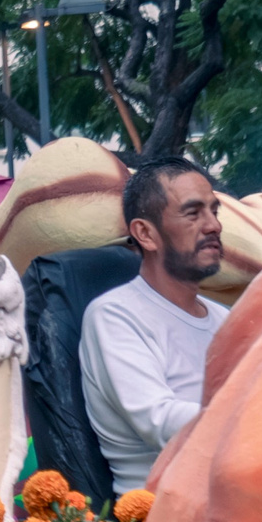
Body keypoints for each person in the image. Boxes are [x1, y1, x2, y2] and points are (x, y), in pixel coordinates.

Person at [78, 154, 229, 487]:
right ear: (145, 234)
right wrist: (259, 416)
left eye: (214, 211)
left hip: (238, 497)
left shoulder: (226, 318)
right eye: (193, 213)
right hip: (160, 515)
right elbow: (161, 423)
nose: (213, 225)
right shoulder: (114, 316)